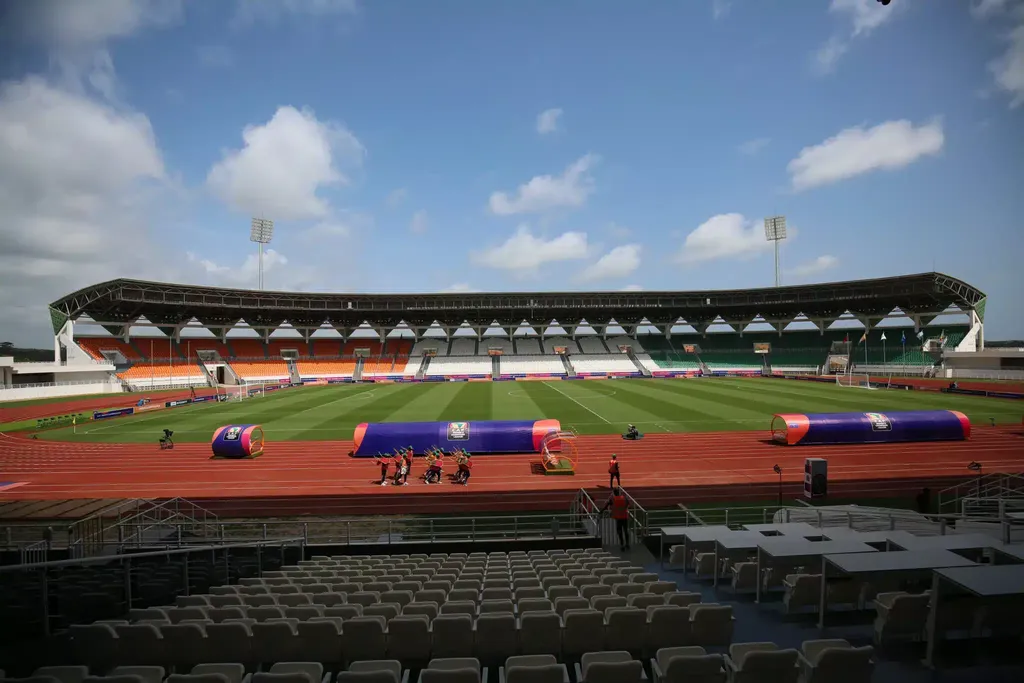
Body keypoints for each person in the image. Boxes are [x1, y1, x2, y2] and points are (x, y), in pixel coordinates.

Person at [601, 486, 630, 551]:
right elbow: (628, 503)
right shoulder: (624, 498)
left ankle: (622, 544)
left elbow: (606, 506)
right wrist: (623, 508)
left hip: (618, 517)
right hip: (625, 516)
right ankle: (627, 544)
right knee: (625, 530)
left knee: (619, 531)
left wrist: (601, 511)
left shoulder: (613, 499)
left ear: (614, 493)